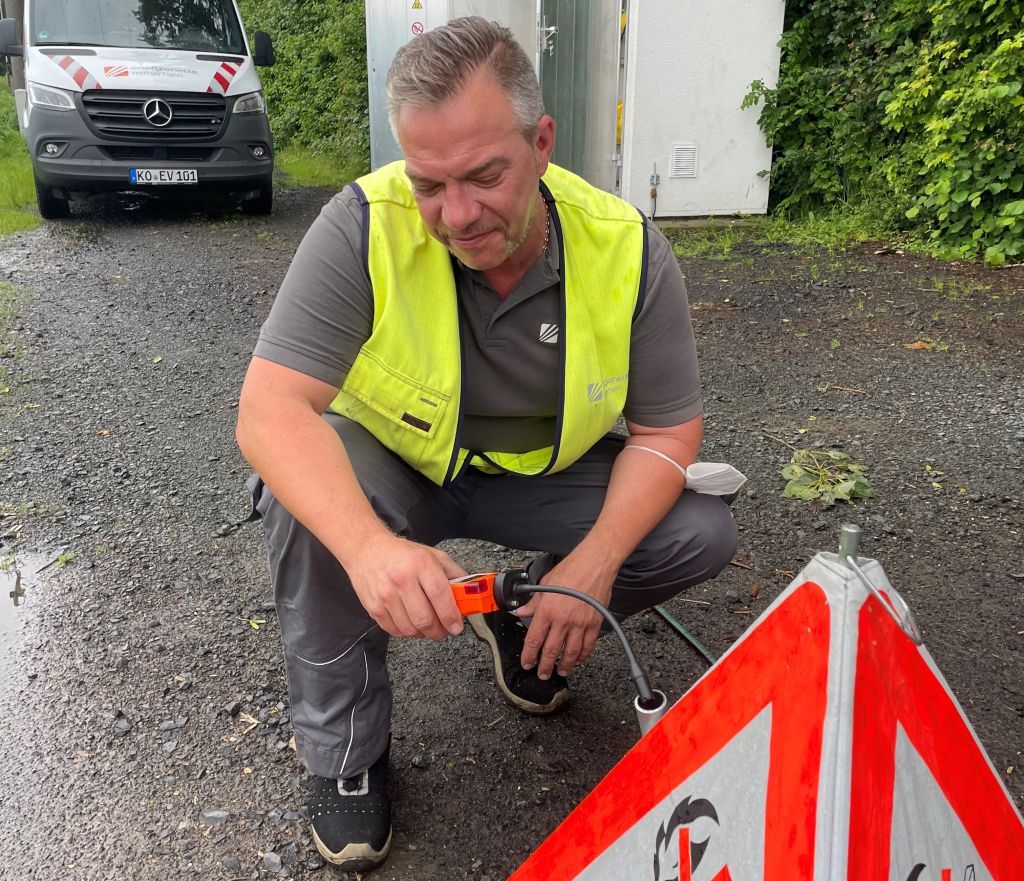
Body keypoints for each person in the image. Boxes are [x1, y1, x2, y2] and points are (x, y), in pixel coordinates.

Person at [236, 16, 738, 872]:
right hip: (400, 469)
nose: (456, 214)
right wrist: (368, 551)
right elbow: (270, 409)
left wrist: (594, 565)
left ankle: (527, 614)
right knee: (303, 500)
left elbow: (667, 432)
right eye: (429, 183)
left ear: (541, 144)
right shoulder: (363, 224)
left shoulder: (625, 245)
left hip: (541, 474)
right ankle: (346, 754)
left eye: (484, 176)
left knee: (700, 527)